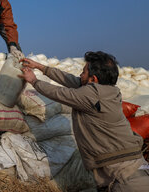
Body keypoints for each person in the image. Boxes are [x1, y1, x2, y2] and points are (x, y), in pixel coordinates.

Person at [19, 51, 149, 191]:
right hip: (133, 170)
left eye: (83, 72)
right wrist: (40, 67)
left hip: (126, 180)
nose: (80, 75)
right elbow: (70, 80)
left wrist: (34, 81)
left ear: (93, 79)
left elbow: (60, 93)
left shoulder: (92, 95)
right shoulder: (108, 91)